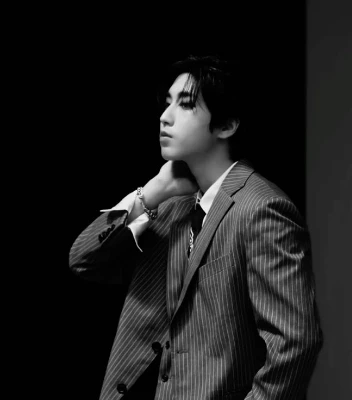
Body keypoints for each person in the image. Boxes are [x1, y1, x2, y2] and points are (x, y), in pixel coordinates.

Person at [69, 55, 323, 400]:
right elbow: (84, 261)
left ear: (227, 125)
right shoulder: (171, 203)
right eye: (167, 102)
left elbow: (295, 341)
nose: (165, 116)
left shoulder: (262, 208)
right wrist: (152, 192)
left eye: (186, 104)